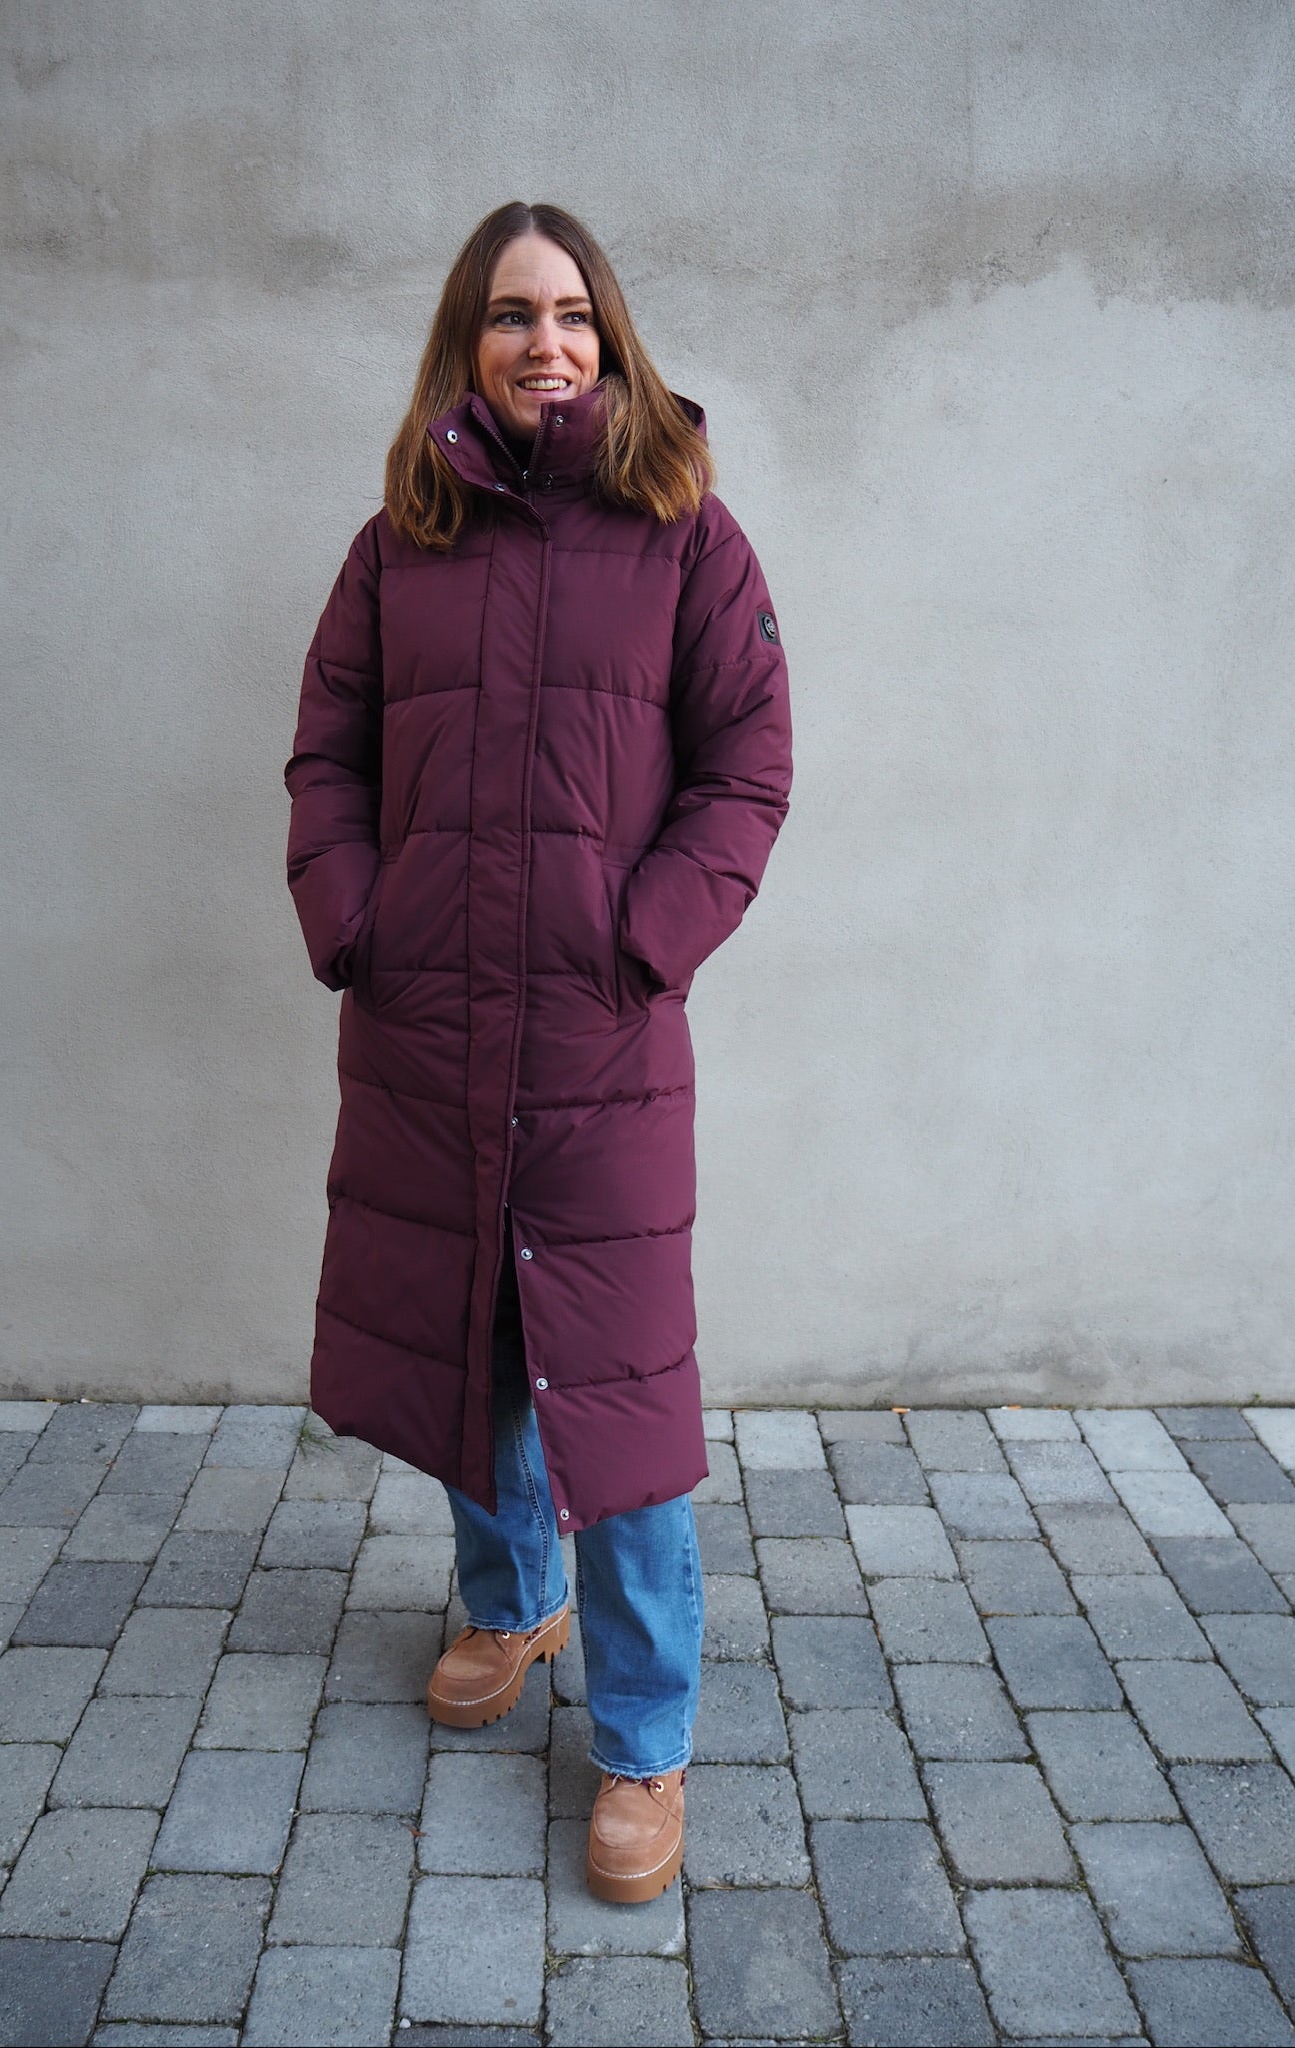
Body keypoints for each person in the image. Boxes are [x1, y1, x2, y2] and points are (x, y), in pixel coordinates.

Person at [285, 200, 792, 1902]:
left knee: (618, 1392)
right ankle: (512, 1604)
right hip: (430, 1026)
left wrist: (643, 942)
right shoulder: (399, 543)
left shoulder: (684, 532)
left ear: (612, 336)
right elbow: (328, 755)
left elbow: (748, 765)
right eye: (511, 315)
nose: (546, 344)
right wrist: (356, 923)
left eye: (572, 313)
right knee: (473, 1342)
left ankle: (645, 1740)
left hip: (596, 1034)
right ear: (469, 344)